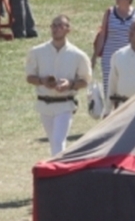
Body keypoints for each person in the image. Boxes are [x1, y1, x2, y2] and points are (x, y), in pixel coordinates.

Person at [25, 14, 90, 156]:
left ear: (68, 29)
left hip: (65, 104)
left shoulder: (78, 55)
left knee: (58, 142)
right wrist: (42, 81)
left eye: (60, 26)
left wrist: (70, 84)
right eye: (53, 26)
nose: (56, 29)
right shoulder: (37, 52)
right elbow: (29, 77)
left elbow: (85, 81)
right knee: (54, 142)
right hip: (45, 104)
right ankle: (61, 165)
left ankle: (57, 168)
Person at [92, 0, 135, 92]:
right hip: (109, 57)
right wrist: (94, 56)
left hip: (128, 58)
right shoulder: (110, 12)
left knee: (126, 89)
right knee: (109, 89)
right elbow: (102, 35)